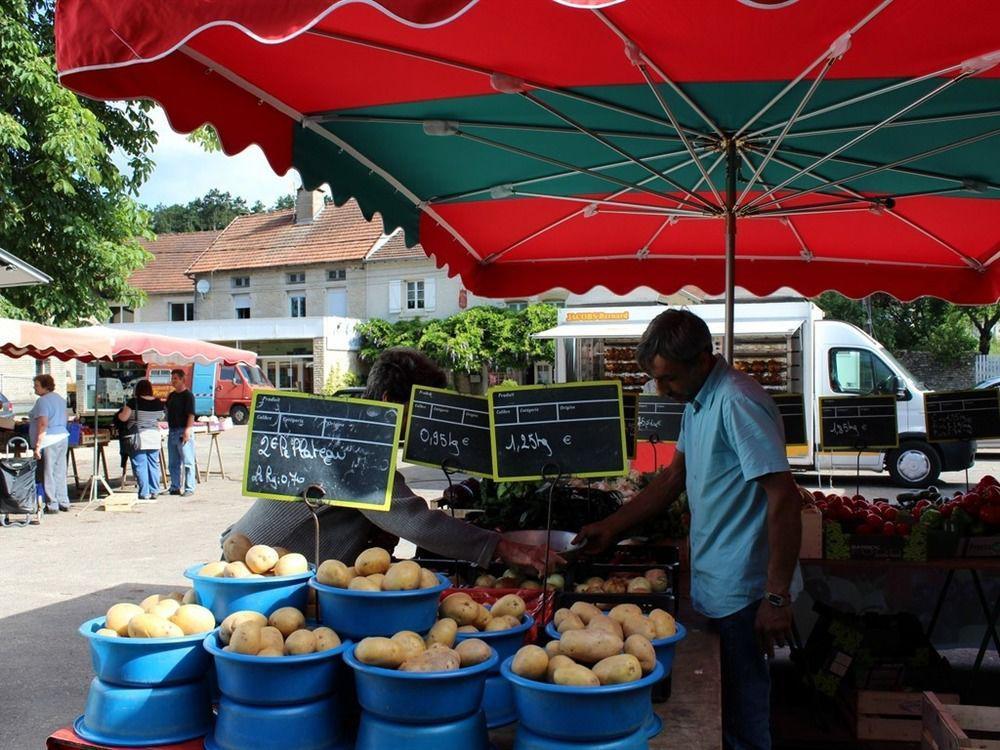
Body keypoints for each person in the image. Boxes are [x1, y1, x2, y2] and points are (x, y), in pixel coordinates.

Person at [577, 310, 801, 750]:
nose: (662, 390)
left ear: (702, 359)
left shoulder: (737, 401)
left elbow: (784, 497)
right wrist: (612, 527)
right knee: (727, 704)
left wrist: (776, 595)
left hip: (746, 590)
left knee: (743, 714)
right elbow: (672, 479)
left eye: (669, 378)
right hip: (718, 581)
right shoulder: (698, 401)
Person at [222, 347, 564, 575]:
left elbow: (382, 515)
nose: (422, 424)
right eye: (419, 409)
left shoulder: (347, 429)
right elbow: (415, 522)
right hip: (258, 574)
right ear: (391, 401)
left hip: (268, 564)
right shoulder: (357, 444)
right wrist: (502, 547)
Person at [116, 379, 165, 501]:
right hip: (154, 437)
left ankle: (144, 493)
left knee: (140, 465)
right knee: (153, 464)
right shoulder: (159, 402)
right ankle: (155, 490)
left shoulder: (134, 402)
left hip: (139, 438)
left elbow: (123, 418)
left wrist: (118, 414)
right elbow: (160, 417)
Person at [28, 374, 70, 513]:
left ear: (45, 386)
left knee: (48, 472)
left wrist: (38, 445)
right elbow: (65, 418)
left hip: (49, 439)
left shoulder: (43, 401)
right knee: (60, 470)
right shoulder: (60, 399)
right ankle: (63, 500)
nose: (35, 388)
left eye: (37, 385)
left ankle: (52, 503)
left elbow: (43, 423)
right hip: (62, 436)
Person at [166, 368, 196, 496]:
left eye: (175, 379)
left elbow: (191, 415)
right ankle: (175, 486)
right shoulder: (171, 396)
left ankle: (189, 488)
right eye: (172, 379)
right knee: (173, 462)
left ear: (182, 379)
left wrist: (187, 431)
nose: (173, 381)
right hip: (172, 430)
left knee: (188, 461)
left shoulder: (188, 396)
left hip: (183, 430)